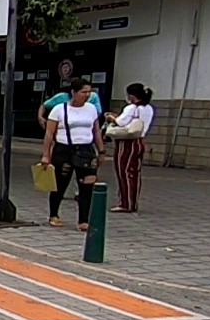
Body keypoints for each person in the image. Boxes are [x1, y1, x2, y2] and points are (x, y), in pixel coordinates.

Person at [41, 78, 105, 231]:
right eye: (83, 92)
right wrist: (46, 155)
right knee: (60, 184)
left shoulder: (91, 109)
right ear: (74, 92)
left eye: (89, 92)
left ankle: (84, 219)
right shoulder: (59, 109)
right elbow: (49, 133)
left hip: (86, 150)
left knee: (87, 185)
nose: (87, 95)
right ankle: (54, 214)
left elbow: (96, 130)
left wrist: (101, 150)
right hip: (64, 150)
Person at [105, 82, 155, 213]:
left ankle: (125, 203)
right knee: (134, 173)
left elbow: (120, 122)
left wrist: (111, 117)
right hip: (139, 142)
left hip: (126, 143)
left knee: (124, 172)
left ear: (132, 96)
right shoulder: (148, 108)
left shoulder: (131, 108)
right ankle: (133, 202)